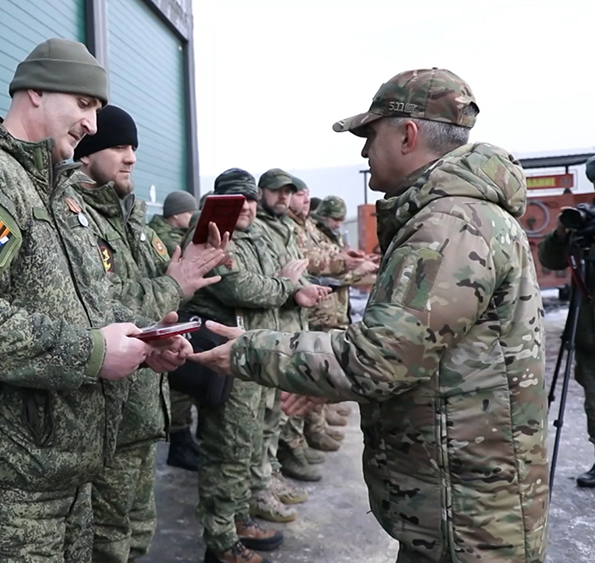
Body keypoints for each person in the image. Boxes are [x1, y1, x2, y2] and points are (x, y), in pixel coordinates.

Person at [191, 68, 549, 562]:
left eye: (369, 135)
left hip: (466, 513)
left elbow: (378, 360)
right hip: (462, 495)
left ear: (407, 135)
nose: (362, 151)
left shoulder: (448, 225)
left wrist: (249, 350)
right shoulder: (462, 216)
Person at [0, 38, 191, 562]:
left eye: (98, 110)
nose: (92, 125)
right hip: (6, 492)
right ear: (34, 91)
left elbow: (92, 302)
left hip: (68, 476)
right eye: (84, 105)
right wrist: (90, 353)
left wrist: (144, 337)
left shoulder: (57, 195)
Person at [72, 104, 228, 562]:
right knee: (107, 539)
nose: (131, 157)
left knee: (137, 531)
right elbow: (96, 305)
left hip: (144, 404)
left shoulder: (133, 224)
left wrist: (192, 267)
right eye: (119, 146)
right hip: (107, 414)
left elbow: (164, 284)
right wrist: (171, 286)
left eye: (134, 148)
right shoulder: (76, 221)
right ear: (86, 151)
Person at [185, 168, 330, 563]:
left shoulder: (253, 237)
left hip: (251, 359)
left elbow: (268, 284)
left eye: (250, 199)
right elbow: (240, 287)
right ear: (219, 203)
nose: (246, 207)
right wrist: (286, 286)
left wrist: (288, 286)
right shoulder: (211, 236)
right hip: (225, 361)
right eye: (237, 200)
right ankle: (220, 541)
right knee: (227, 451)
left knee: (247, 448)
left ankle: (236, 518)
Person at [287, 191, 379, 445]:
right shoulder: (298, 230)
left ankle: (318, 425)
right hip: (319, 311)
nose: (338, 224)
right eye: (334, 218)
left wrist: (351, 261)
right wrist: (351, 267)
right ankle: (310, 433)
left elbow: (332, 263)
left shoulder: (317, 231)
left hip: (331, 311)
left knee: (324, 372)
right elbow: (319, 271)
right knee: (314, 372)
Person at [252, 169, 323, 484]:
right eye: (276, 191)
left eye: (288, 191)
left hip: (294, 322)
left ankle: (278, 465)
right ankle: (268, 474)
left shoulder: (283, 228)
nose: (283, 197)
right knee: (269, 411)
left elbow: (295, 273)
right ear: (262, 192)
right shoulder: (257, 229)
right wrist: (292, 287)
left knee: (284, 403)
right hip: (273, 325)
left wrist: (306, 288)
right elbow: (273, 280)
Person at [539, 154, 595, 488]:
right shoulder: (586, 220)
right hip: (590, 332)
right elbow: (550, 258)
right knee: (594, 399)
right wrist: (563, 233)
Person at [148, 189, 204, 471]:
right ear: (176, 214)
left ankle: (182, 440)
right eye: (188, 213)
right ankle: (179, 443)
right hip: (162, 315)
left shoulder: (164, 236)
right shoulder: (164, 239)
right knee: (178, 390)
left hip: (172, 313)